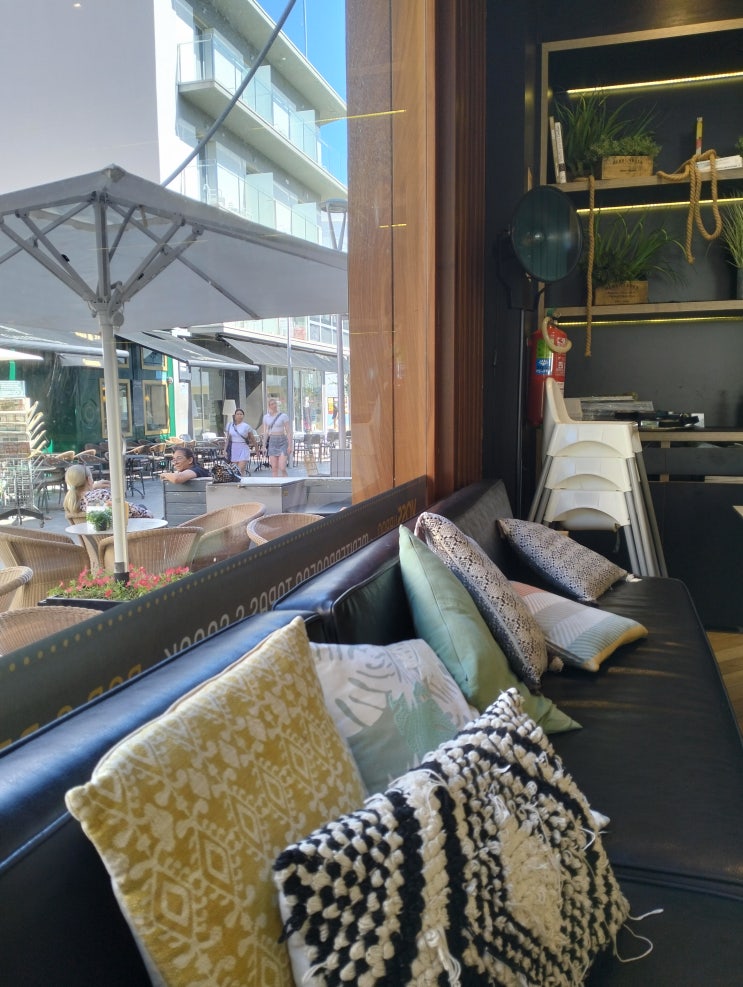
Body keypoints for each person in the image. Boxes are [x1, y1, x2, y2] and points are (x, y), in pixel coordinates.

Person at [63, 463, 153, 519]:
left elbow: (91, 500)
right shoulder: (101, 495)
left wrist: (93, 488)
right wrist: (148, 513)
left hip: (94, 541)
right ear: (89, 480)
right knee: (143, 508)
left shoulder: (71, 501)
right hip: (117, 539)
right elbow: (131, 510)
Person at [260, 398, 293, 477]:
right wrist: (263, 446)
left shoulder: (283, 416)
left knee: (282, 467)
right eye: (272, 404)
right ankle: (275, 483)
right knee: (274, 468)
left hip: (282, 440)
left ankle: (286, 481)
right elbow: (266, 432)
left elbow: (288, 432)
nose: (274, 405)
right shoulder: (266, 417)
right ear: (269, 406)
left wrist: (290, 445)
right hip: (272, 441)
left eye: (275, 403)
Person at [225, 407, 259, 476]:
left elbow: (252, 439)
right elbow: (228, 439)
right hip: (234, 448)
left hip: (243, 447)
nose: (239, 416)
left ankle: (242, 480)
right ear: (235, 416)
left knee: (240, 468)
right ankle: (241, 480)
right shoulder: (230, 425)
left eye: (241, 414)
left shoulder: (246, 426)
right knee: (235, 470)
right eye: (237, 414)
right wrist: (224, 450)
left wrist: (256, 449)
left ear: (243, 416)